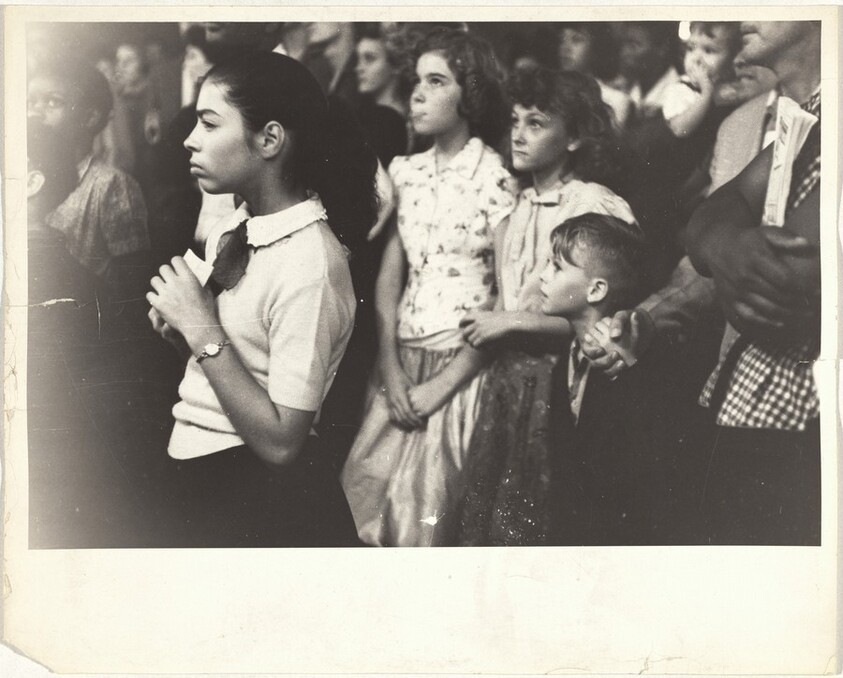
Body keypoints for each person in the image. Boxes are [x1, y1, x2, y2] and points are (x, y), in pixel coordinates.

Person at [146, 52, 379, 547]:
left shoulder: (311, 262)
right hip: (199, 474)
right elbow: (238, 370)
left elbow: (281, 442)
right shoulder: (235, 226)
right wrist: (185, 334)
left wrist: (202, 328)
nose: (190, 139)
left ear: (270, 139)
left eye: (209, 124)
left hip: (252, 492)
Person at [340, 28, 515, 547]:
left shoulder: (495, 176)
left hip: (462, 368)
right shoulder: (406, 171)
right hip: (398, 365)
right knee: (363, 500)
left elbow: (507, 298)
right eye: (416, 81)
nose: (417, 94)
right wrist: (391, 371)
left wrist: (445, 384)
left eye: (436, 82)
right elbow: (390, 280)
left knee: (429, 515)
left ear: (471, 96)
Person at [456, 68, 637, 546]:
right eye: (514, 120)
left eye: (536, 123)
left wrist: (512, 322)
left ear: (574, 135)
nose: (518, 133)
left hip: (561, 384)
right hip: (508, 385)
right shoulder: (516, 204)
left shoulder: (591, 203)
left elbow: (605, 320)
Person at [684, 21, 821, 545]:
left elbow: (785, 280)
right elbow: (704, 222)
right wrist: (724, 247)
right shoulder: (813, 112)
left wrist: (721, 247)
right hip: (752, 403)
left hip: (803, 421)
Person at [540, 213, 682, 545]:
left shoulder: (632, 370)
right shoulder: (566, 357)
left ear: (596, 289)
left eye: (556, 268)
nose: (543, 278)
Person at [27, 56, 152, 333]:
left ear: (89, 118)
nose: (36, 112)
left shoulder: (110, 185)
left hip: (87, 327)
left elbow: (131, 287)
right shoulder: (23, 175)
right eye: (31, 102)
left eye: (52, 102)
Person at [662, 22, 742, 139]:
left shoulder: (733, 86)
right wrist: (706, 92)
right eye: (690, 48)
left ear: (732, 59)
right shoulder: (680, 89)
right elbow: (679, 129)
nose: (696, 59)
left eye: (708, 50)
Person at [556, 22, 633, 130]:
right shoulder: (550, 91)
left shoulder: (615, 100)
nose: (565, 48)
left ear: (595, 47)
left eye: (576, 40)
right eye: (562, 40)